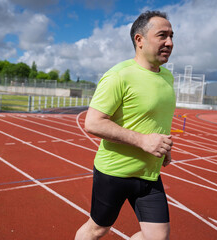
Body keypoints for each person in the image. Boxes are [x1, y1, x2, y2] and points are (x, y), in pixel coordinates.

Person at [75, 10, 175, 240]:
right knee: (97, 229)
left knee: (158, 237)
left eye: (171, 36)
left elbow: (154, 119)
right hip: (115, 173)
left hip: (149, 174)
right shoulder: (119, 75)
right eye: (162, 35)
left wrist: (163, 147)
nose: (169, 42)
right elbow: (92, 122)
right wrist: (143, 141)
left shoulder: (167, 77)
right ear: (139, 40)